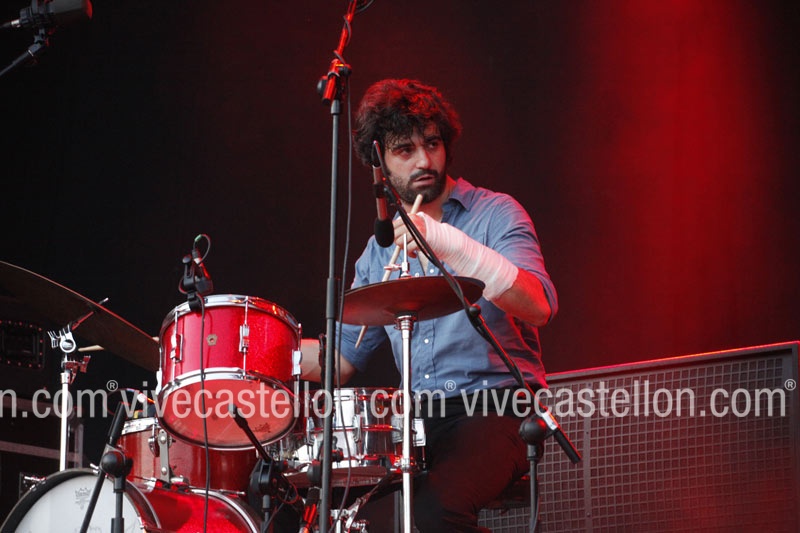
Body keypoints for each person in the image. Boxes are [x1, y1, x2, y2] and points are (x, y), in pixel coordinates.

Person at [300, 78, 557, 532]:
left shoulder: (496, 214)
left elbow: (538, 306)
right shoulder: (378, 253)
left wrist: (451, 245)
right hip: (417, 425)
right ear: (378, 162)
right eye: (405, 150)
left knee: (436, 512)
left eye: (432, 144)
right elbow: (339, 360)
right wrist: (252, 356)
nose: (424, 161)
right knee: (329, 505)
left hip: (498, 410)